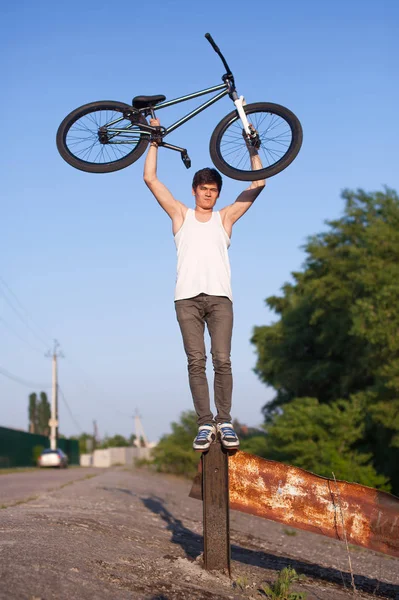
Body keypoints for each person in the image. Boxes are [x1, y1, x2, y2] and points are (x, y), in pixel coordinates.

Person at [144, 118, 265, 452]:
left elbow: (259, 182)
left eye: (214, 191)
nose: (209, 195)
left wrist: (252, 149)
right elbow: (150, 179)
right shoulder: (180, 216)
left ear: (217, 194)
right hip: (186, 300)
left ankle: (224, 421)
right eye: (204, 190)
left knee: (222, 359)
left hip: (220, 299)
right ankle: (204, 423)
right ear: (195, 191)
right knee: (196, 361)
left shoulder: (224, 218)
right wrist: (154, 140)